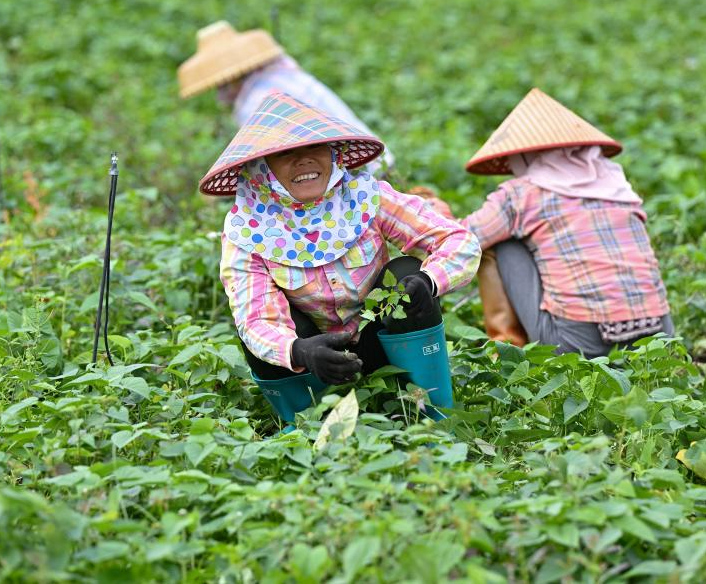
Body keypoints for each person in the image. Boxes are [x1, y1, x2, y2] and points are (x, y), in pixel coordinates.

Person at [200, 92, 479, 420]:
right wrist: (298, 350)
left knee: (407, 272)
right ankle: (308, 425)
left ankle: (426, 410)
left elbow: (458, 240)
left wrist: (429, 281)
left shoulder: (365, 196)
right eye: (285, 153)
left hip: (380, 338)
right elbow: (255, 317)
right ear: (261, 168)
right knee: (261, 335)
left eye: (315, 147)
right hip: (317, 359)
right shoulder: (247, 230)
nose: (304, 160)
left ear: (334, 154)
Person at [442, 88, 673, 356]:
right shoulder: (618, 189)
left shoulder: (521, 195)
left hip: (577, 346)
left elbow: (463, 239)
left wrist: (435, 210)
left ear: (526, 155)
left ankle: (508, 345)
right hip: (658, 341)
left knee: (504, 245)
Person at [179, 21, 393, 175]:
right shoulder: (283, 75)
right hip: (374, 158)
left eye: (223, 85)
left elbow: (265, 157)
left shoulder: (257, 101)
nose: (221, 93)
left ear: (233, 79)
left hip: (352, 172)